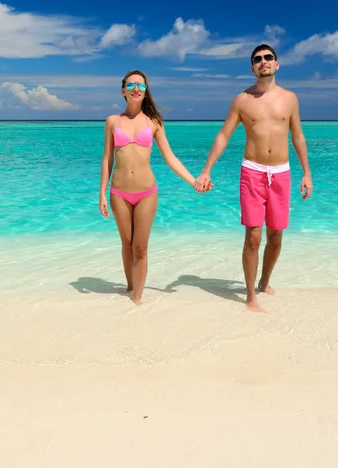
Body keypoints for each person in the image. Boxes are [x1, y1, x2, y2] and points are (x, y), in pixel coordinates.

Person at [195, 44, 313, 312]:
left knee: (276, 236)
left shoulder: (290, 99)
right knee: (253, 236)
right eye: (258, 59)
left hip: (281, 172)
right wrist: (206, 170)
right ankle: (250, 296)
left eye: (268, 58)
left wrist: (307, 172)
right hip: (252, 171)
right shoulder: (242, 100)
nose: (263, 62)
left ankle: (264, 281)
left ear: (277, 64)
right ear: (252, 67)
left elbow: (297, 136)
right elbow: (224, 135)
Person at [99, 70, 210, 305]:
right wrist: (102, 193)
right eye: (131, 85)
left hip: (146, 193)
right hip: (118, 192)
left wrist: (193, 181)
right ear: (123, 91)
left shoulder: (154, 122)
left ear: (146, 90)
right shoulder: (112, 121)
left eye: (141, 85)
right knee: (126, 244)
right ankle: (130, 288)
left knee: (140, 247)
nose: (136, 89)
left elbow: (170, 158)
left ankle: (137, 301)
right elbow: (107, 159)